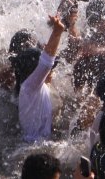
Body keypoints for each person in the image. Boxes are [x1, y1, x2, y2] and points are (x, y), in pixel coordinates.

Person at [13, 13, 71, 142]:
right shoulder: (30, 88)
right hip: (35, 146)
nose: (50, 72)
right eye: (46, 72)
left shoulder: (26, 86)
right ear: (35, 73)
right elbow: (46, 62)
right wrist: (57, 32)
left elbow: (49, 55)